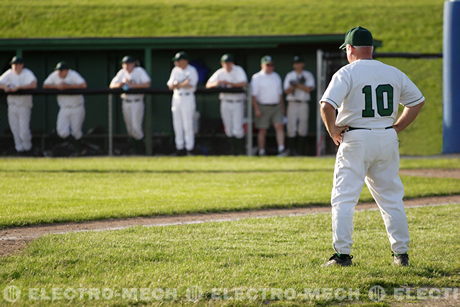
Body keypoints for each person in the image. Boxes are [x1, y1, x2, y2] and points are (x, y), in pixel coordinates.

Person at [320, 26, 425, 267]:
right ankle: (401, 254)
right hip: (386, 137)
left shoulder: (347, 72)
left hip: (356, 138)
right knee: (391, 198)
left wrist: (333, 131)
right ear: (372, 49)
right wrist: (397, 127)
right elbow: (417, 102)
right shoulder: (392, 72)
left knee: (344, 198)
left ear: (350, 48)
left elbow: (326, 105)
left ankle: (342, 255)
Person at [206, 54, 248, 155]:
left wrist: (229, 83)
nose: (227, 65)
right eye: (225, 63)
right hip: (225, 102)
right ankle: (231, 151)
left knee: (237, 128)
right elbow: (208, 85)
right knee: (228, 128)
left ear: (232, 63)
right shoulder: (220, 72)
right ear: (222, 64)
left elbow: (244, 83)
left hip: (237, 102)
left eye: (229, 63)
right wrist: (217, 83)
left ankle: (240, 152)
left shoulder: (238, 70)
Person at [110, 56, 151, 153]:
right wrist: (122, 84)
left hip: (136, 101)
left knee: (136, 127)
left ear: (133, 64)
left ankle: (142, 150)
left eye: (129, 64)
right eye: (124, 64)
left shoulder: (139, 71)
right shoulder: (121, 73)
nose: (126, 66)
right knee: (130, 128)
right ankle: (135, 149)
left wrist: (133, 86)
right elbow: (112, 86)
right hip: (126, 101)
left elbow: (147, 84)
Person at [43, 62, 87, 146]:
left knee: (76, 132)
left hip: (77, 107)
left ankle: (78, 150)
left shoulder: (73, 74)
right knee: (62, 131)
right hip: (64, 107)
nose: (59, 72)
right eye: (58, 70)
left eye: (61, 70)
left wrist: (67, 86)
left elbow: (83, 85)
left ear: (66, 71)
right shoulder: (55, 75)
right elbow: (45, 85)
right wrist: (56, 86)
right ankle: (74, 146)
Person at [0, 56, 37, 155]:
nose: (15, 66)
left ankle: (28, 149)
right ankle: (19, 150)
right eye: (14, 64)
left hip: (24, 105)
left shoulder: (27, 73)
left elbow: (33, 84)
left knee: (23, 130)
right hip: (12, 105)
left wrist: (19, 88)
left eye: (17, 64)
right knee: (15, 129)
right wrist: (4, 87)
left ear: (22, 65)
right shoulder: (9, 73)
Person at [250, 55, 286, 156]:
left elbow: (280, 94)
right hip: (262, 106)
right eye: (267, 65)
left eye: (271, 65)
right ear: (262, 65)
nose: (270, 67)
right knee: (262, 129)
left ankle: (281, 149)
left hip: (276, 106)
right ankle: (261, 151)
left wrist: (283, 108)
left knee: (279, 126)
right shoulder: (257, 77)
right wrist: (256, 109)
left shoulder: (276, 76)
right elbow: (253, 96)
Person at [167, 51, 198, 156]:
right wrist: (181, 84)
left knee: (188, 124)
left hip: (188, 97)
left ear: (185, 61)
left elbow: (191, 84)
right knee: (177, 124)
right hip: (176, 98)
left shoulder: (191, 70)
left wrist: (178, 84)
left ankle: (190, 148)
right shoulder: (175, 70)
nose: (177, 63)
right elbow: (170, 85)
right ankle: (179, 148)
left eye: (178, 61)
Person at [283, 56, 315, 155]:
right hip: (292, 102)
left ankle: (301, 152)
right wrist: (296, 85)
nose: (298, 65)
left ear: (303, 64)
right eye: (296, 63)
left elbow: (309, 89)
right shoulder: (290, 75)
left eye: (299, 63)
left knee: (303, 127)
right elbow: (286, 91)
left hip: (303, 102)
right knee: (291, 127)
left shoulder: (307, 75)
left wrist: (297, 85)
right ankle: (291, 151)